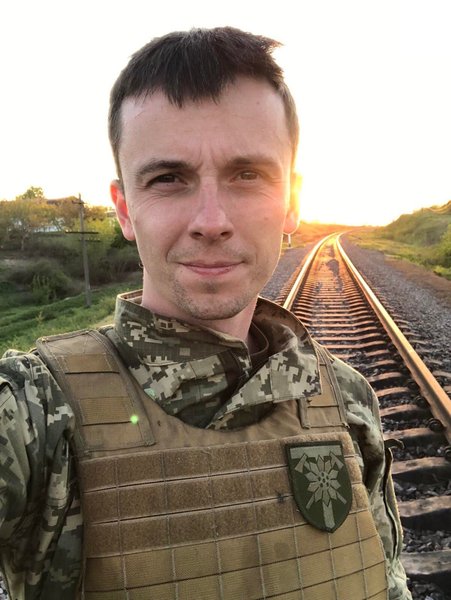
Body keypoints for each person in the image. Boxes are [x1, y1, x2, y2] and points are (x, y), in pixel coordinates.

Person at [0, 27, 411, 600]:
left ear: (291, 201)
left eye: (248, 175)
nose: (211, 221)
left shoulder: (348, 400)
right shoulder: (34, 412)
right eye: (169, 179)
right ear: (125, 208)